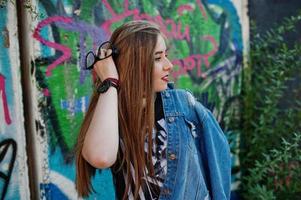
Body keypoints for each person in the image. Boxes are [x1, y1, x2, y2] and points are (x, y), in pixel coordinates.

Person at [75, 20, 231, 200]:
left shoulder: (184, 106)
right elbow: (100, 157)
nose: (169, 65)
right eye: (157, 58)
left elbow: (218, 163)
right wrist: (110, 82)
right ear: (133, 64)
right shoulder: (110, 112)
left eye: (165, 55)